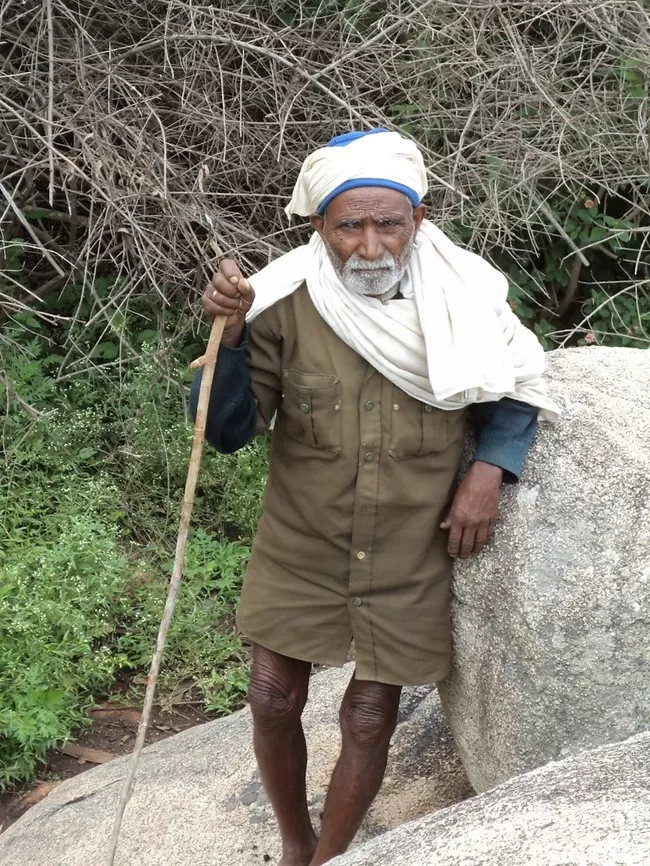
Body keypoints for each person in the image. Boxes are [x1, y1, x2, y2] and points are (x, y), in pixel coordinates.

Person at [190, 128, 557, 866]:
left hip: (409, 548)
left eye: (387, 222)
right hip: (303, 539)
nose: (368, 245)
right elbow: (227, 432)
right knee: (270, 697)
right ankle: (296, 847)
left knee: (369, 714)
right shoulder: (281, 300)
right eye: (347, 225)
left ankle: (331, 858)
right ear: (317, 227)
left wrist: (489, 472)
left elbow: (515, 385)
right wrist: (226, 339)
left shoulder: (467, 295)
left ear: (417, 221)